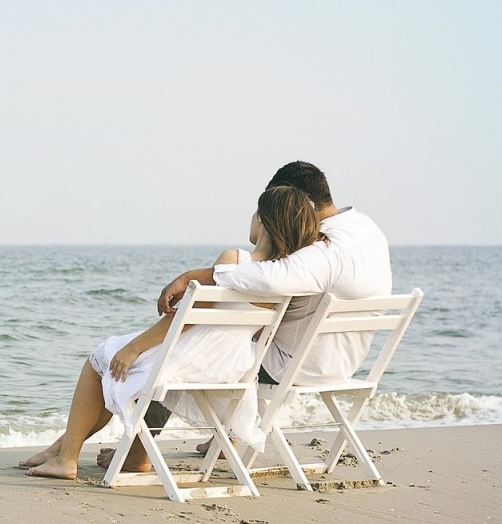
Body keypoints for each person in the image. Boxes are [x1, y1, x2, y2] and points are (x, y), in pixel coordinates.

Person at [96, 160, 392, 471]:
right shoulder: (366, 228)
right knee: (237, 327)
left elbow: (266, 277)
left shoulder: (323, 251)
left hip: (295, 366)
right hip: (344, 361)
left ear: (299, 201)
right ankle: (227, 436)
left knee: (187, 349)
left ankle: (139, 451)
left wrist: (198, 276)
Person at [20, 185, 324, 480]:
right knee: (113, 366)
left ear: (264, 220)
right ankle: (61, 448)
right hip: (231, 366)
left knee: (101, 358)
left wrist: (135, 347)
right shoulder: (287, 277)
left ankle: (67, 458)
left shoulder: (235, 259)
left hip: (193, 355)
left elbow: (186, 320)